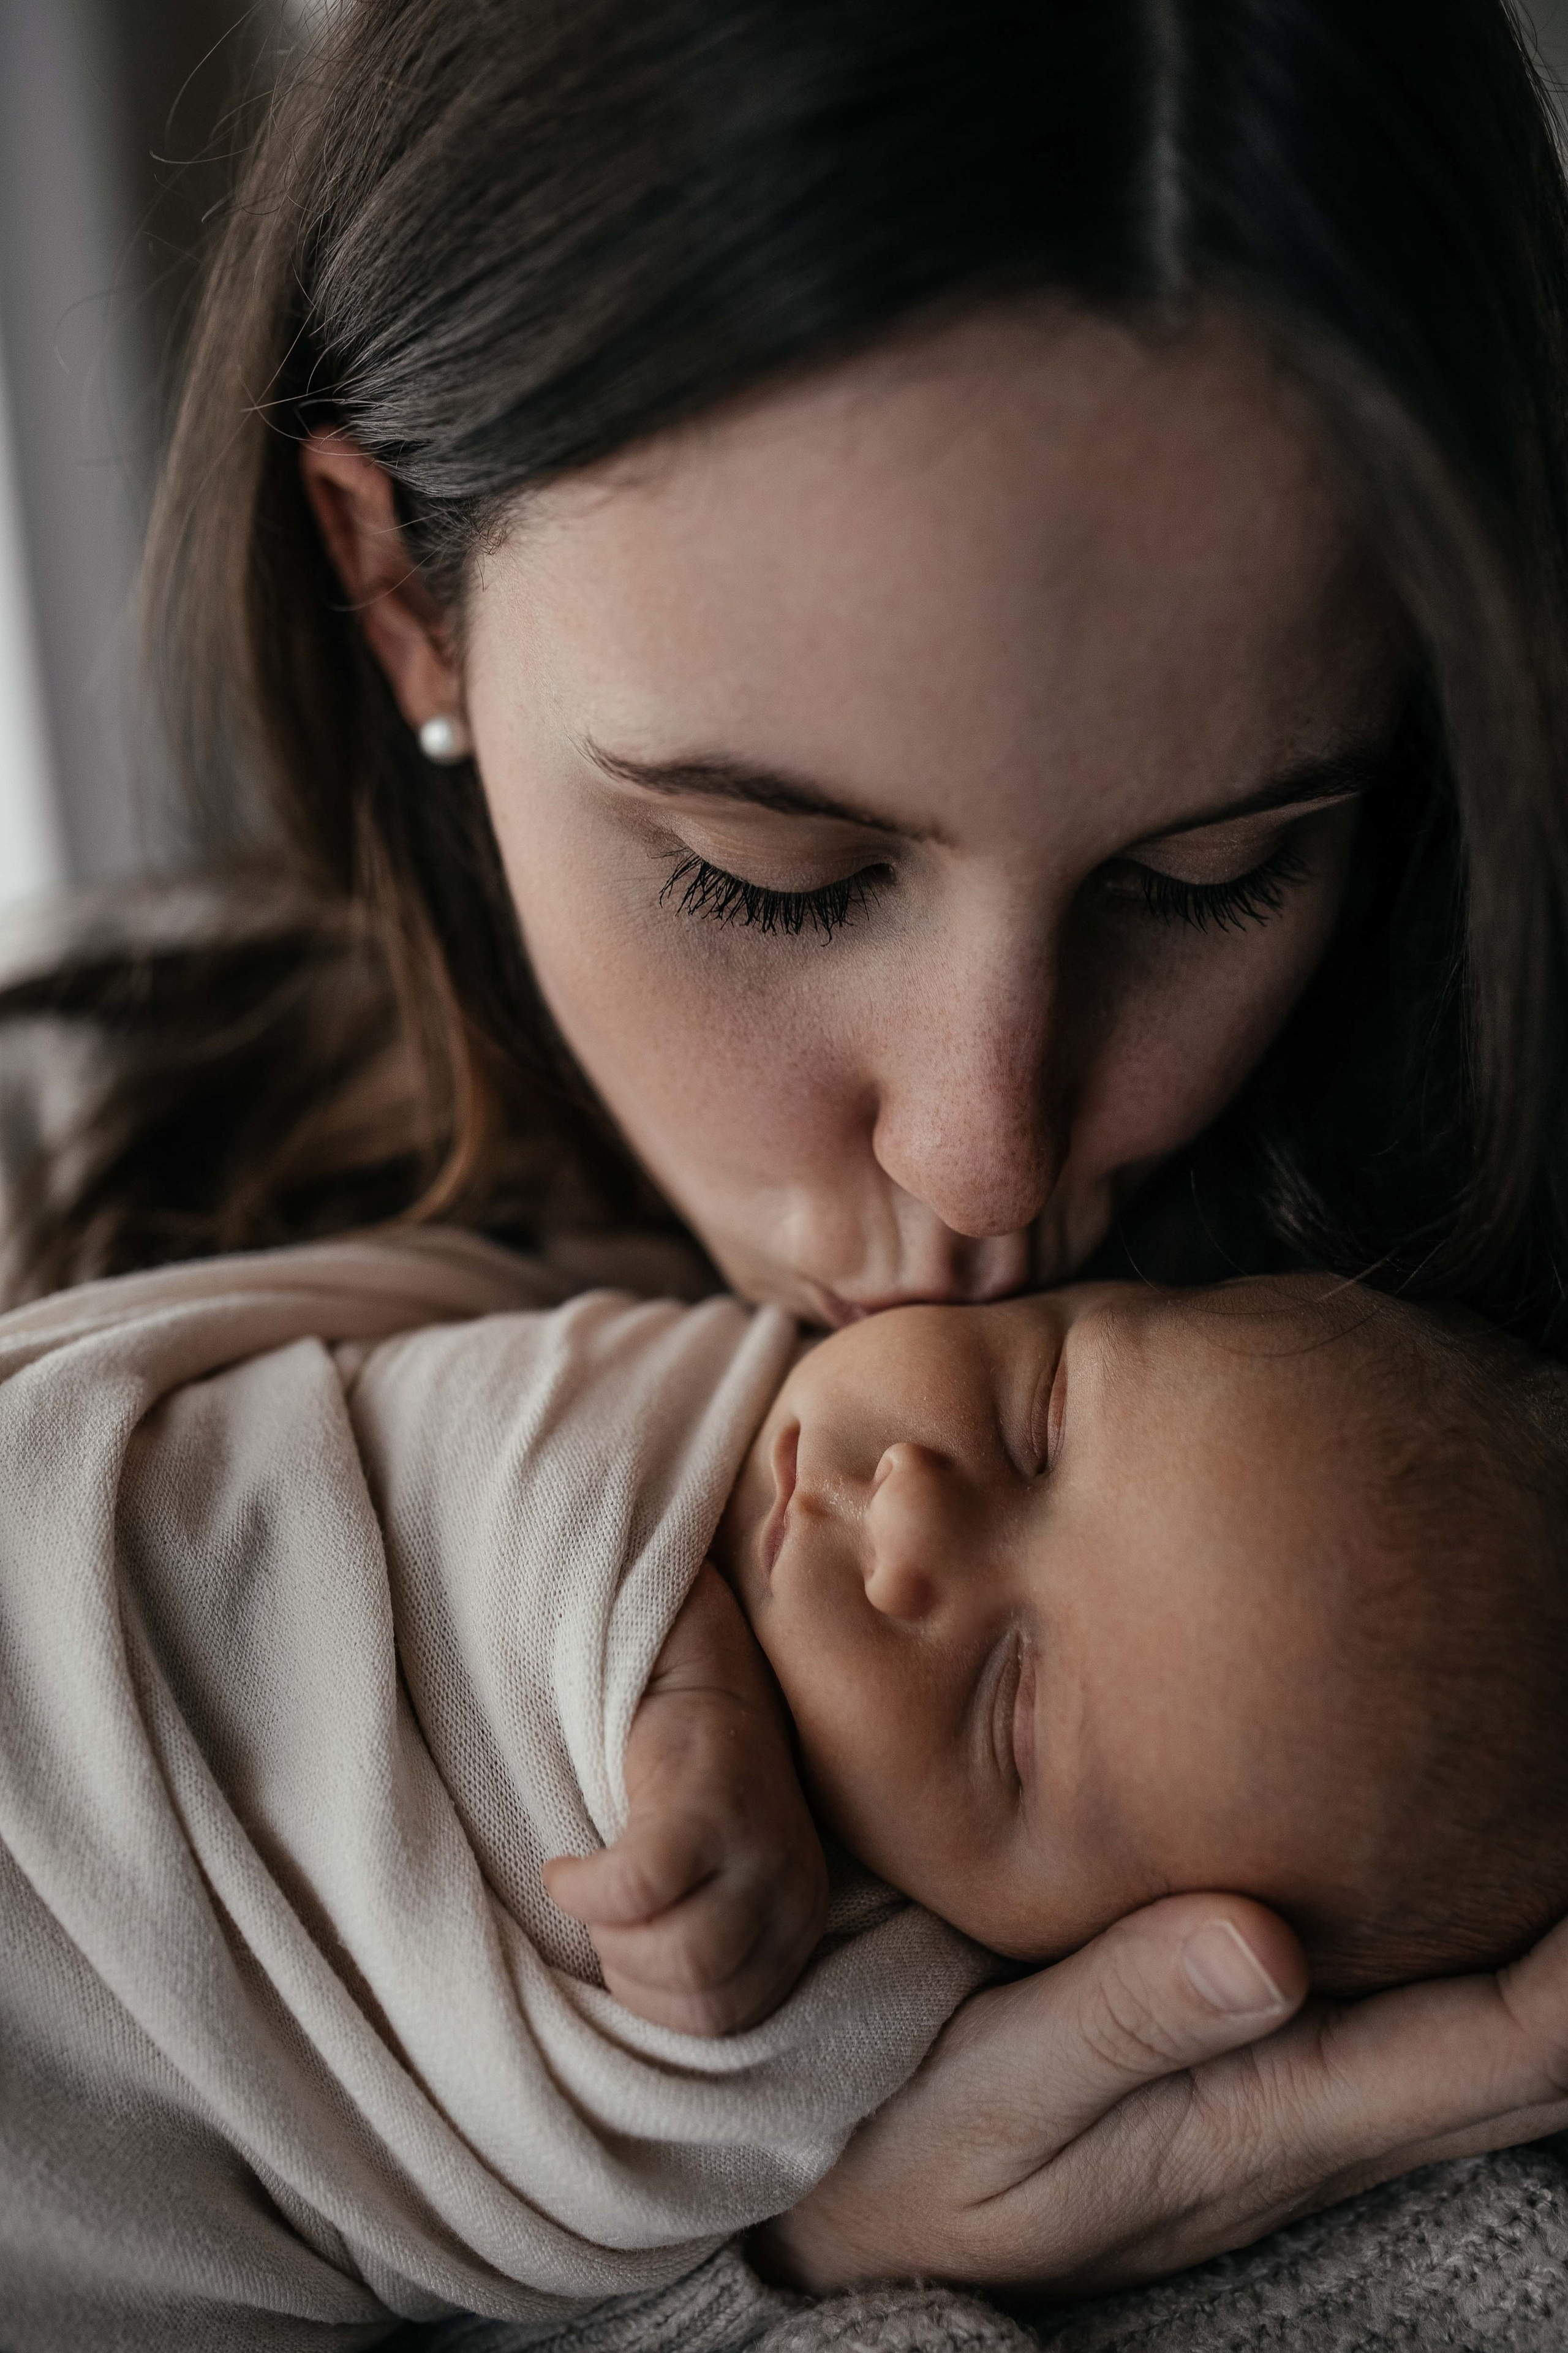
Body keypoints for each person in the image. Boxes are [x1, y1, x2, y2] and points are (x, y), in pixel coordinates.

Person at [4, 0, 1568, 2325]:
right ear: (398, 593)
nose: (985, 1138)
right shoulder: (63, 1145)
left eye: (1211, 876)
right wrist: (795, 2258)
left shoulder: (1432, 1677)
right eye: (770, 871)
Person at [4, 1239, 1564, 2352]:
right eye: (1038, 1416)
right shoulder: (681, 1369)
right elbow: (445, 1445)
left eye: (1004, 1710)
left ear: (1078, 1950)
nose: (903, 1516)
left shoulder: (894, 2051)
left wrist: (815, 2248)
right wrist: (669, 1676)